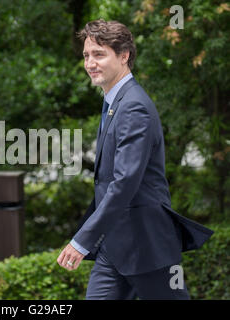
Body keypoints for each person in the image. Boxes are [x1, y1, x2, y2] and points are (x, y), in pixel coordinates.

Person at [56, 19, 214, 300]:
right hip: (113, 247)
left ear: (124, 56)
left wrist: (82, 240)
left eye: (99, 54)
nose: (90, 63)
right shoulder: (115, 103)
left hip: (146, 245)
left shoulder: (134, 106)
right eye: (86, 55)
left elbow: (125, 182)